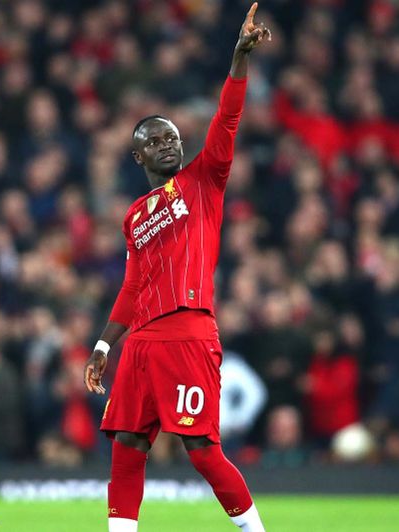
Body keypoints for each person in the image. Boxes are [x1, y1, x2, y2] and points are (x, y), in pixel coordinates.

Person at [83, 5, 270, 532]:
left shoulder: (205, 180)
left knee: (201, 448)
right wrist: (103, 346)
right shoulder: (134, 216)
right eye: (156, 140)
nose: (170, 143)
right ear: (137, 155)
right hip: (140, 341)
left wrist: (238, 60)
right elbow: (133, 285)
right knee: (127, 442)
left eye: (173, 137)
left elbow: (227, 119)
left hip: (188, 332)